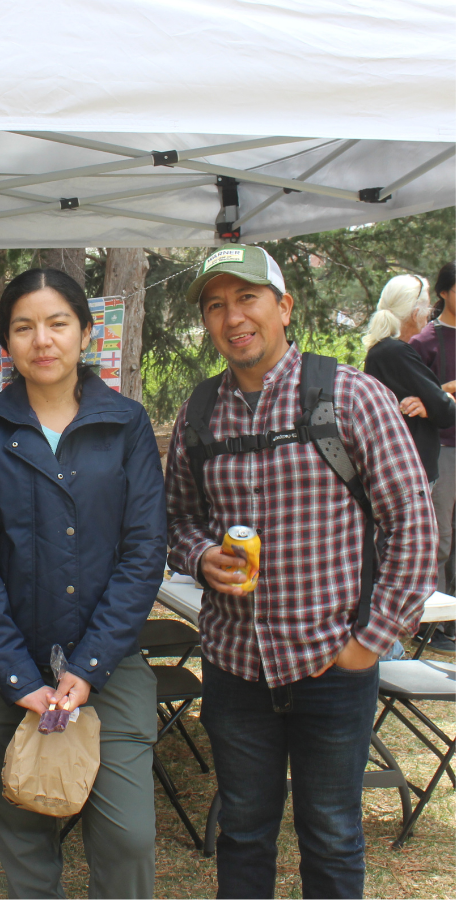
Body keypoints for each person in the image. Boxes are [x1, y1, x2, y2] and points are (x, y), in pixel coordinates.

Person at [165, 246, 436, 899]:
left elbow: (415, 528)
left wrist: (367, 643)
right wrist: (203, 557)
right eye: (216, 305)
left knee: (333, 836)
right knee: (245, 834)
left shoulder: (350, 396)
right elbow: (175, 522)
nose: (233, 317)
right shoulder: (200, 415)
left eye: (248, 298)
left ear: (284, 306)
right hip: (234, 671)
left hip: (330, 670)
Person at [0, 268, 166, 899]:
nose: (41, 340)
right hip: (1, 670)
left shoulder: (125, 424)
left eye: (57, 323)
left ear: (85, 334)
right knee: (24, 836)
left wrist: (90, 664)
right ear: (6, 343)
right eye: (24, 327)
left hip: (110, 667)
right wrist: (20, 679)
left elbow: (143, 550)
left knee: (128, 837)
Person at [362, 273, 455, 485]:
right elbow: (447, 412)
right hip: (410, 474)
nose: (430, 314)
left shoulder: (382, 350)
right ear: (415, 313)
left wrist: (428, 403)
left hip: (399, 470)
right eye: (429, 307)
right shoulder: (397, 353)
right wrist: (446, 398)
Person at [410, 261, 456, 607]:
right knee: (440, 536)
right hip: (442, 448)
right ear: (443, 292)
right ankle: (435, 620)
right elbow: (410, 398)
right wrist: (444, 392)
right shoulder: (425, 340)